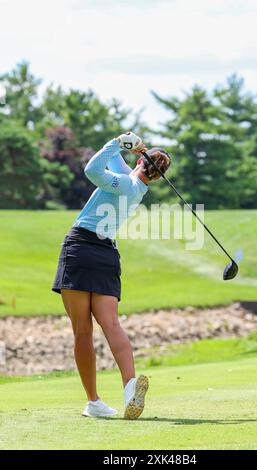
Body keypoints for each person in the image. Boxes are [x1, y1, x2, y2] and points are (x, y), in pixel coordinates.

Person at [52, 132, 171, 420]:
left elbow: (92, 169)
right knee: (111, 324)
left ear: (142, 164)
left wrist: (120, 142)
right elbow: (113, 159)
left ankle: (93, 401)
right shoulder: (138, 188)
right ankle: (130, 387)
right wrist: (130, 146)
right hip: (107, 254)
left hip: (81, 248)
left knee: (82, 330)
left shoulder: (127, 185)